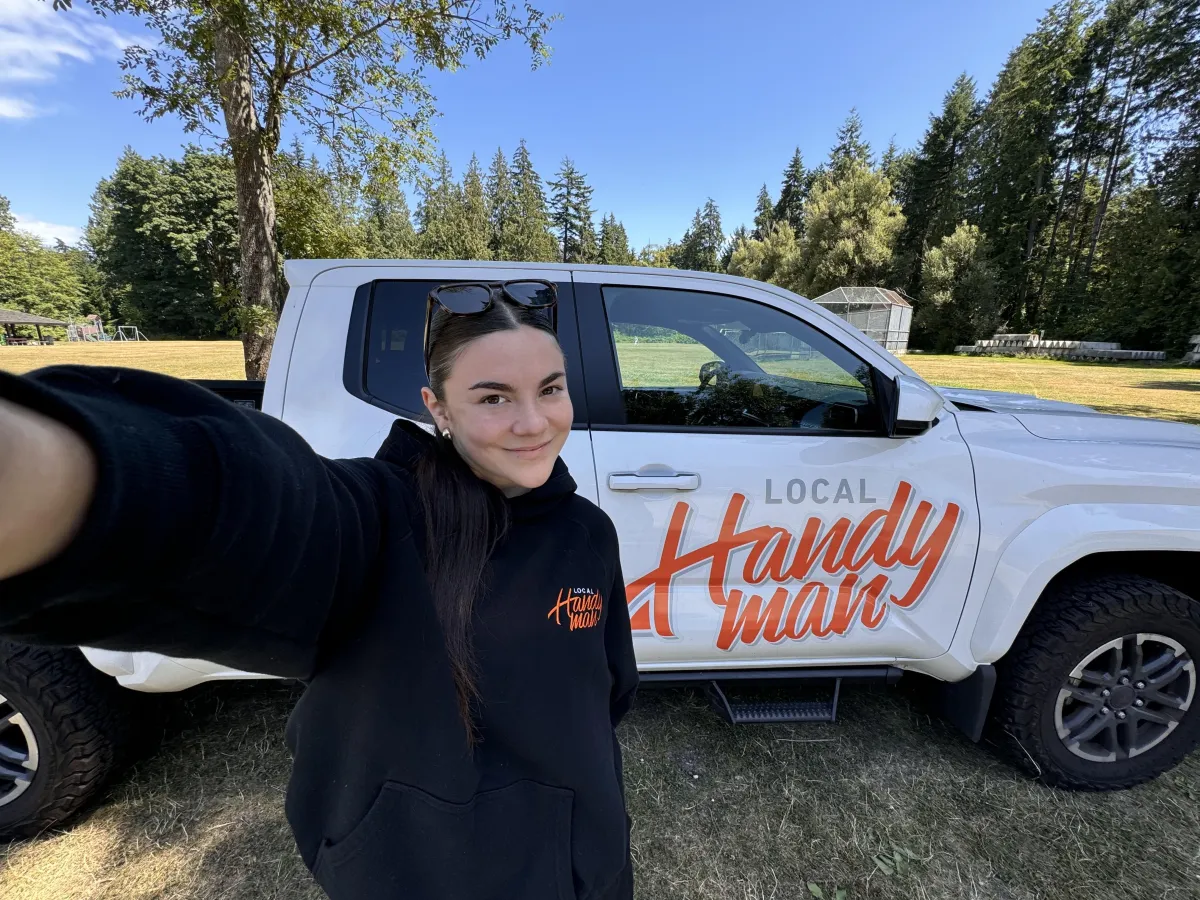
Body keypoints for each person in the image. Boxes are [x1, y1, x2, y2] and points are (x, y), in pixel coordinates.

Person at [0, 280, 639, 900]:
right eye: (493, 398)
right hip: (421, 874)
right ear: (436, 407)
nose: (533, 422)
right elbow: (242, 511)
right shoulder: (378, 519)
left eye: (549, 389)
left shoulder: (586, 531)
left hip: (590, 866)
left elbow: (606, 693)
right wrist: (68, 470)